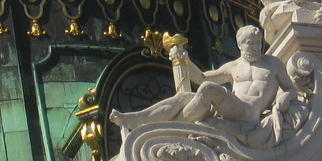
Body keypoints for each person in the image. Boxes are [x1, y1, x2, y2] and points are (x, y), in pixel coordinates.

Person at [109, 25, 292, 138]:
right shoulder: (234, 67)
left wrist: (286, 98)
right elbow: (201, 77)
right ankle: (136, 119)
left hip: (248, 112)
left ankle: (170, 129)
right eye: (249, 43)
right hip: (232, 107)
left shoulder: (273, 64)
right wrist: (184, 59)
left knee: (208, 89)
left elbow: (291, 89)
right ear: (239, 45)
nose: (254, 48)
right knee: (183, 98)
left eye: (257, 43)